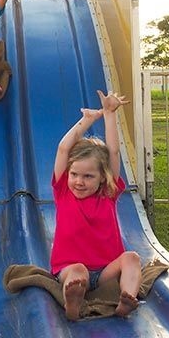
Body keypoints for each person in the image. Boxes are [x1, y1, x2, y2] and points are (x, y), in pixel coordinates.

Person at [51, 90, 142, 321]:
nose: (79, 181)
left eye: (88, 176)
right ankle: (73, 302)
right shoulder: (63, 191)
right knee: (78, 271)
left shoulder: (107, 193)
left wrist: (110, 113)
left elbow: (113, 151)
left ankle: (127, 298)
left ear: (103, 177)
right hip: (70, 267)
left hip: (105, 272)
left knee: (132, 258)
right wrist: (88, 120)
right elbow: (63, 148)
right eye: (74, 174)